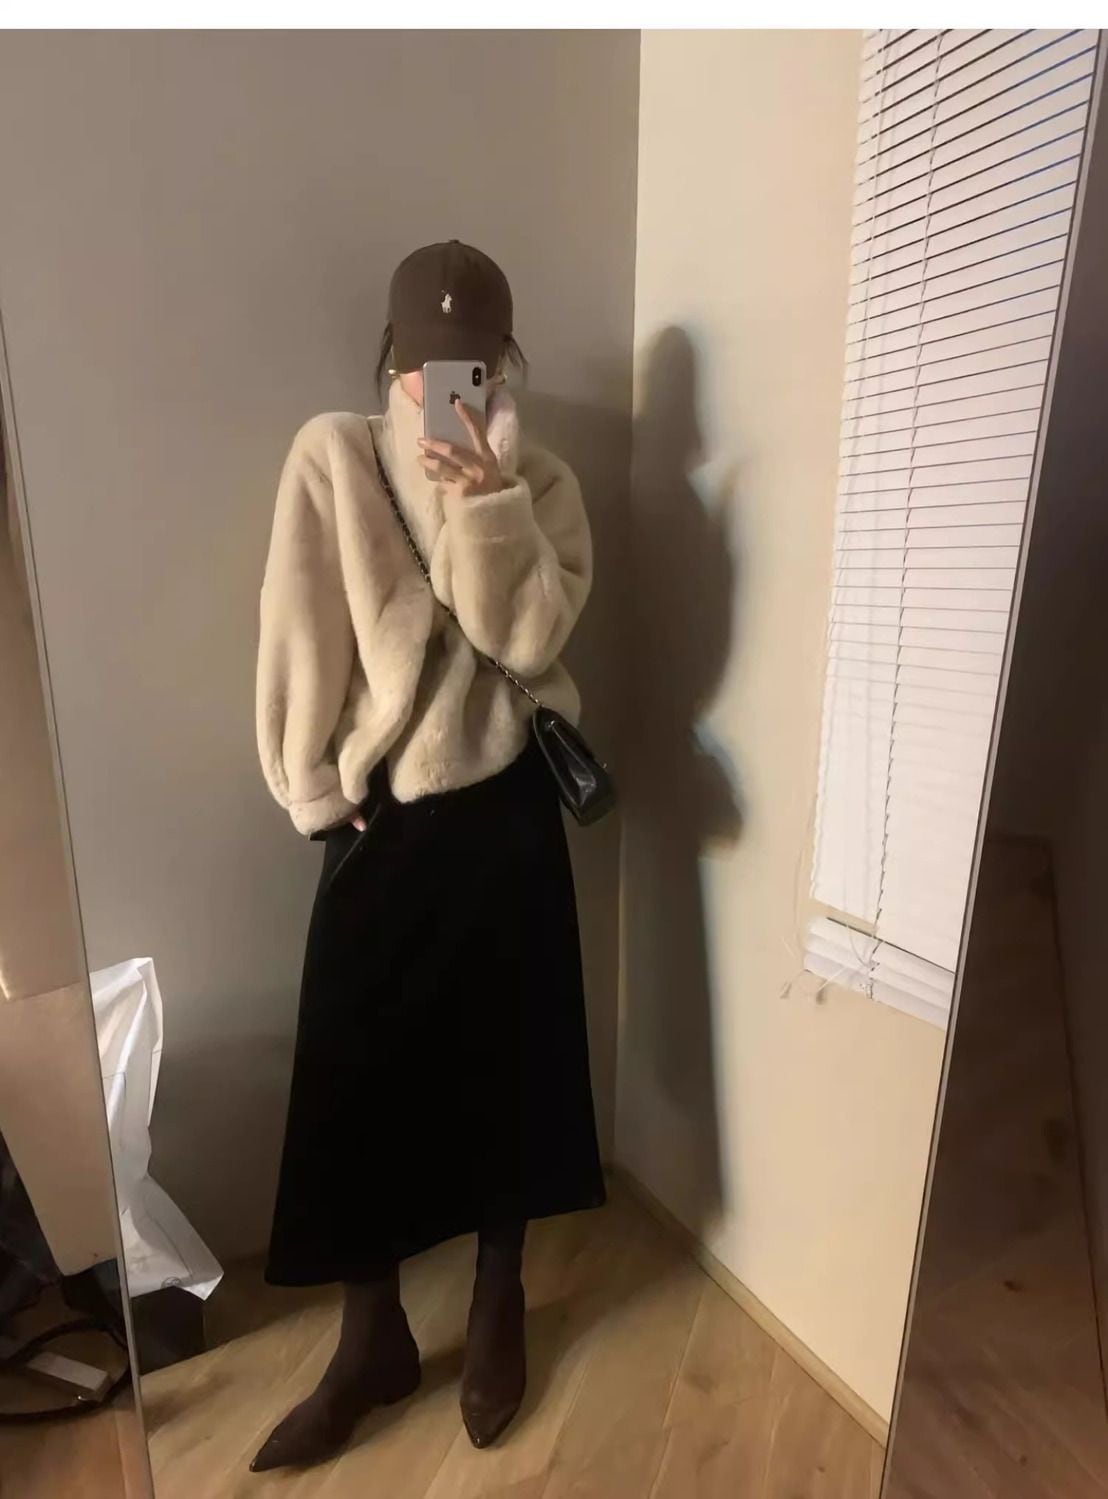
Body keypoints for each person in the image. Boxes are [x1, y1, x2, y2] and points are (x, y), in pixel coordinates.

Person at [251, 240, 606, 1471]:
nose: (440, 385)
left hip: (507, 811)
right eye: (422, 362)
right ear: (393, 356)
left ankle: (499, 1298)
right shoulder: (333, 455)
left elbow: (528, 636)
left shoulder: (542, 480)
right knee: (353, 1077)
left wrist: (486, 501)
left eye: (469, 364)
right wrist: (308, 785)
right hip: (384, 816)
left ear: (501, 362)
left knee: (512, 1063)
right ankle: (371, 1338)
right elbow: (298, 625)